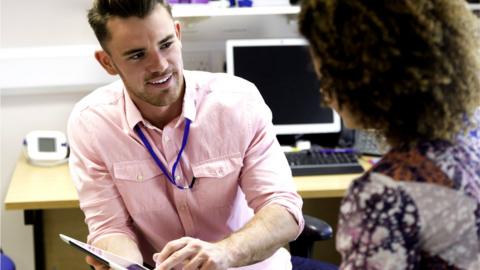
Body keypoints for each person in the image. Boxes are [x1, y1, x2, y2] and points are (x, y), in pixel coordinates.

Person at [67, 0, 305, 269]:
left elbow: (283, 209)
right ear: (107, 62)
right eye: (137, 55)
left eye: (166, 44)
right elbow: (110, 228)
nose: (159, 65)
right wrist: (123, 263)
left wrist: (225, 253)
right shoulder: (91, 123)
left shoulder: (239, 102)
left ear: (178, 35)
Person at [298, 0, 480, 269]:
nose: (325, 95)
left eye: (327, 76)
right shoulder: (469, 140)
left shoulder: (383, 194)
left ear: (360, 75)